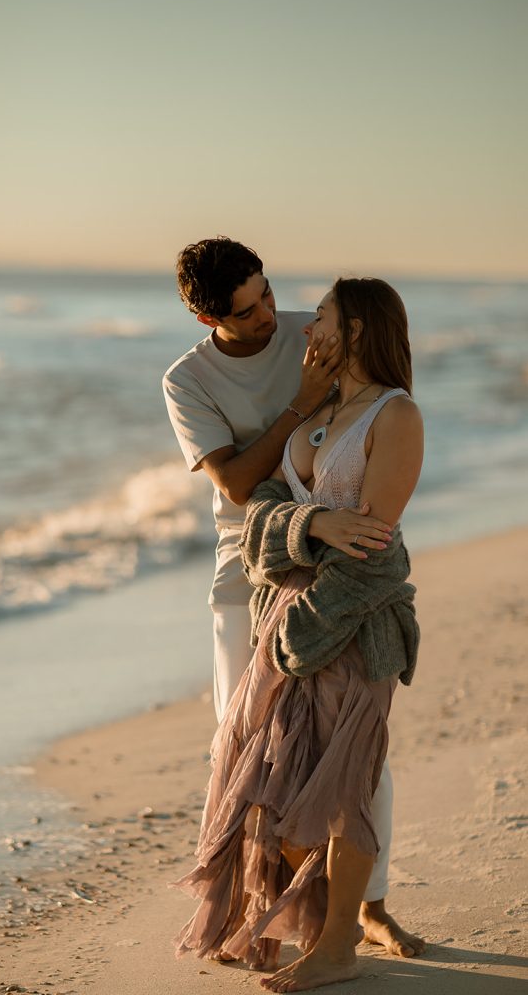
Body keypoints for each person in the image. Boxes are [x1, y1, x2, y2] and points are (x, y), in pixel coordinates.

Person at [163, 239, 423, 958]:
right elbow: (240, 488)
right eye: (246, 312)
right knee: (243, 744)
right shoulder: (187, 380)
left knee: (353, 744)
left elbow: (378, 418)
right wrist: (297, 406)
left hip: (331, 572)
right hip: (243, 567)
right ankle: (265, 913)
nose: (271, 318)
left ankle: (365, 906)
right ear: (204, 315)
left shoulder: (318, 328)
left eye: (268, 295)